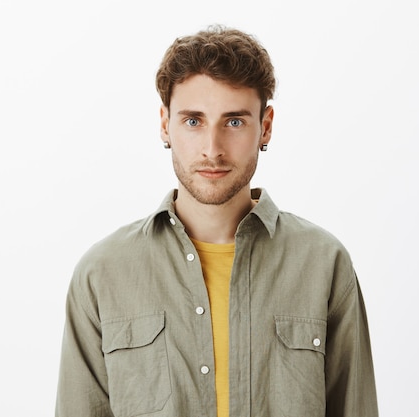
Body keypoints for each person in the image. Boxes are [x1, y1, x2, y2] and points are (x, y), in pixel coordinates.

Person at [55, 25, 378, 417]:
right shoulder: (102, 274)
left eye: (234, 121)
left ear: (266, 126)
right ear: (165, 124)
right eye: (193, 121)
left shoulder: (324, 264)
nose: (212, 149)